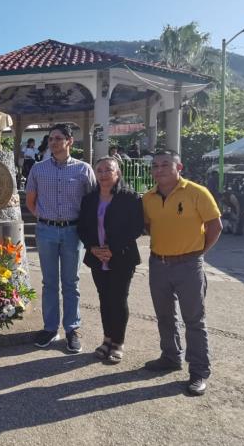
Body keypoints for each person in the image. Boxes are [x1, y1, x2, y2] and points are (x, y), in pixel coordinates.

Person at [142, 150, 222, 396]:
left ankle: (198, 371)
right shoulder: (148, 198)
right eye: (155, 165)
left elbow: (215, 226)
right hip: (158, 264)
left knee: (194, 321)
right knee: (164, 316)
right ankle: (170, 356)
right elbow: (149, 227)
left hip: (189, 265)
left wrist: (196, 252)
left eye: (166, 164)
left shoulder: (197, 192)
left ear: (179, 167)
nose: (159, 169)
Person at [25, 124, 97, 352]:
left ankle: (72, 328)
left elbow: (92, 203)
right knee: (49, 282)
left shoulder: (84, 169)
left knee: (71, 282)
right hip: (46, 230)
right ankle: (50, 327)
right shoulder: (38, 169)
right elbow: (30, 200)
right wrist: (45, 218)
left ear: (70, 141)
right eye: (51, 139)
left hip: (73, 232)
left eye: (58, 138)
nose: (53, 142)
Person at [77, 156, 143, 364]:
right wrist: (93, 248)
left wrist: (112, 249)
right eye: (100, 170)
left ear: (118, 172)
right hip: (97, 257)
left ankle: (118, 343)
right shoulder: (89, 199)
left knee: (118, 298)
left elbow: (136, 227)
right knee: (104, 298)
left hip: (122, 257)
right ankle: (106, 339)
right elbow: (82, 227)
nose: (104, 174)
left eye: (109, 170)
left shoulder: (130, 197)